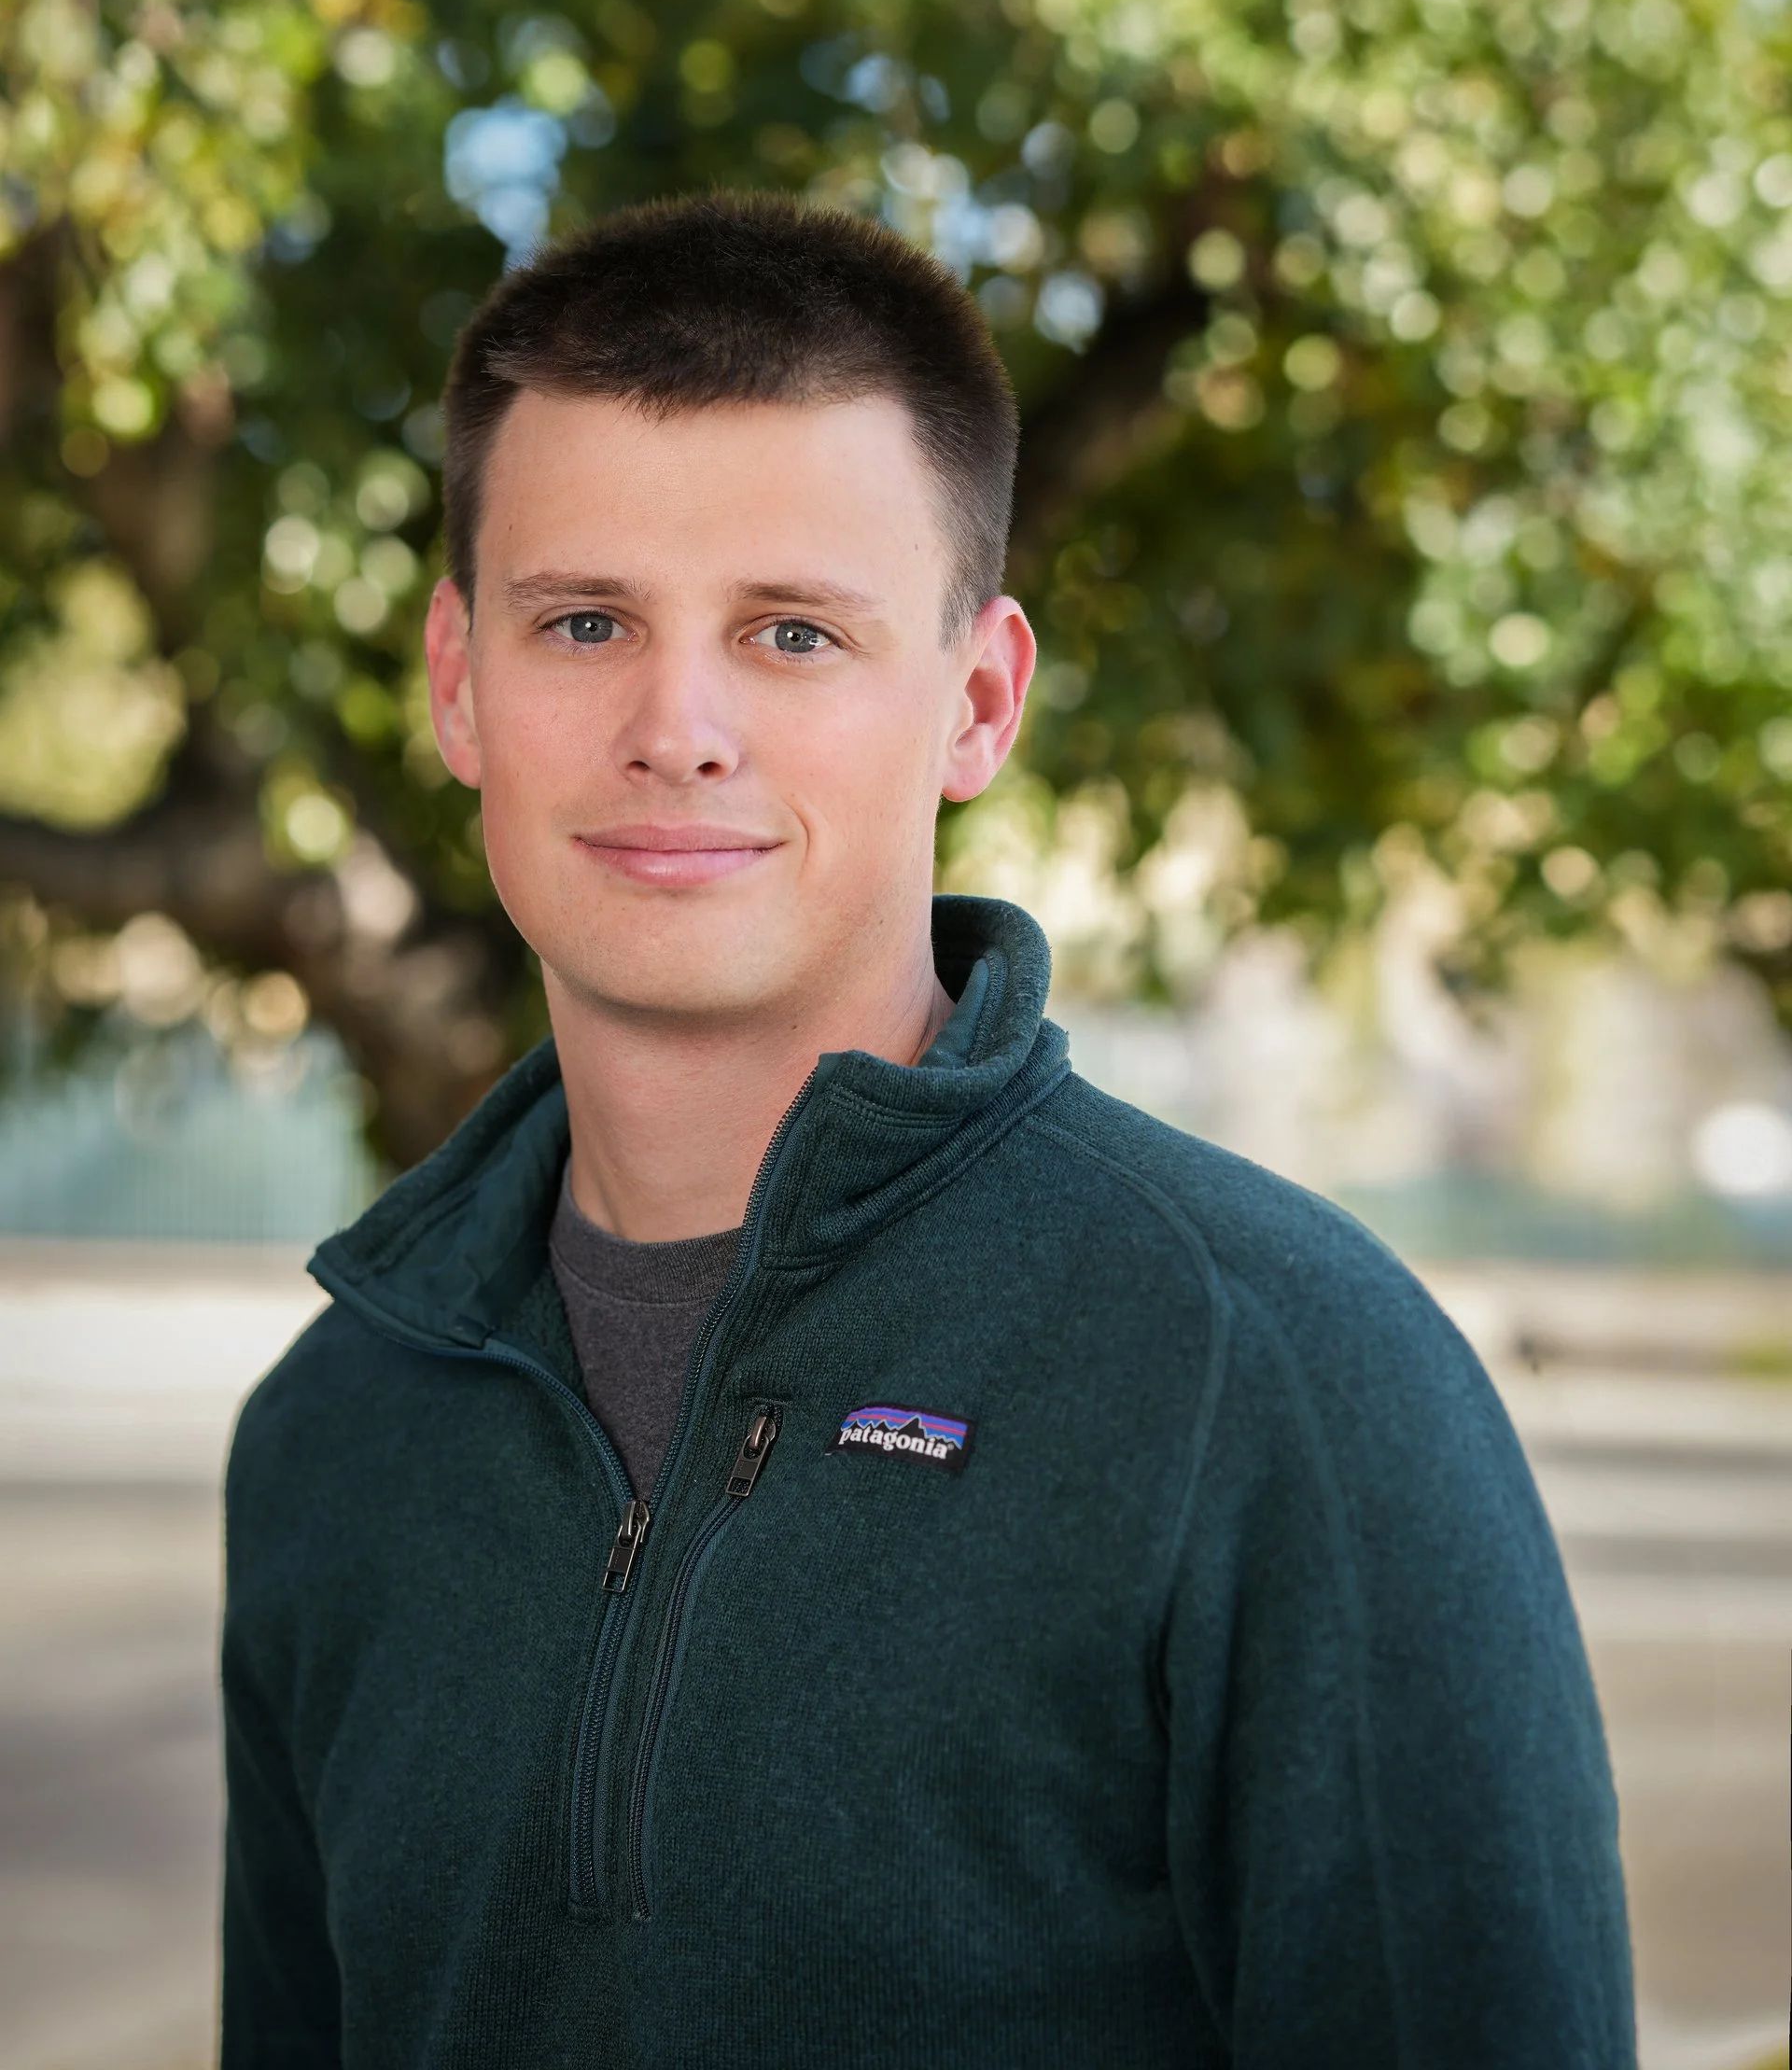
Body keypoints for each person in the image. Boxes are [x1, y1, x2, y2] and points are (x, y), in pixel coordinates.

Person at [218, 187, 1636, 2068]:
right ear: (461, 683)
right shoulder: (336, 1434)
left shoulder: (1279, 1379)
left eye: (794, 634)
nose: (680, 725)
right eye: (582, 620)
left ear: (977, 702)